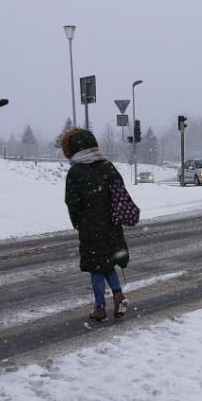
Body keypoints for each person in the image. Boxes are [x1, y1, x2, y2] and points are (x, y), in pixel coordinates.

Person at [62, 128, 129, 321]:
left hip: (91, 226)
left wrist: (78, 221)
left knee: (96, 266)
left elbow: (72, 202)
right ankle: (117, 294)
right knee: (107, 263)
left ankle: (99, 307)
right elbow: (120, 191)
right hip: (112, 224)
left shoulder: (76, 172)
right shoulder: (107, 166)